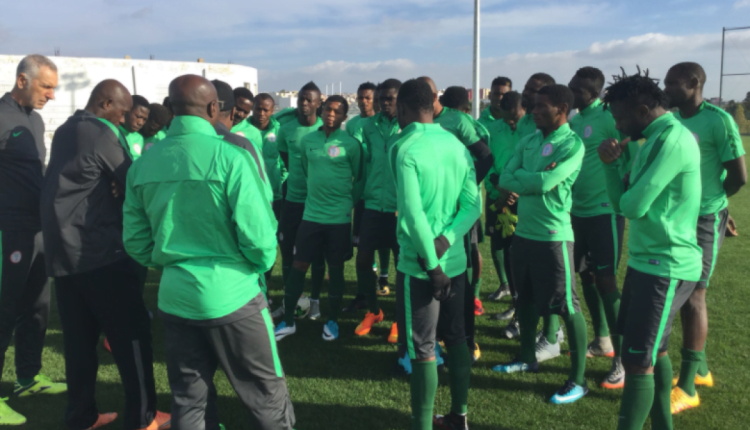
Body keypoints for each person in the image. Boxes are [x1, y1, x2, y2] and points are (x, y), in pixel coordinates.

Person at [123, 74, 293, 430]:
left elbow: (136, 241)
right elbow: (261, 241)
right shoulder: (231, 157)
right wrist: (247, 268)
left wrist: (174, 262)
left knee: (188, 401)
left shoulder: (143, 164)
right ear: (214, 108)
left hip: (176, 297)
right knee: (267, 398)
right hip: (233, 295)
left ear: (170, 109)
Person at [41, 79, 169, 430]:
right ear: (105, 103)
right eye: (123, 112)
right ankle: (144, 417)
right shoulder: (100, 133)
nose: (126, 120)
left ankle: (81, 416)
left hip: (64, 253)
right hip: (100, 250)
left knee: (80, 341)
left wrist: (115, 181)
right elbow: (134, 180)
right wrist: (122, 182)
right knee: (133, 333)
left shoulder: (67, 129)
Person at [598, 68, 702, 430]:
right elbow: (620, 203)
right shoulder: (651, 140)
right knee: (651, 352)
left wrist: (623, 181)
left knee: (637, 361)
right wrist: (612, 167)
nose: (618, 126)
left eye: (621, 117)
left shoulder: (669, 140)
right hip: (647, 262)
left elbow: (633, 206)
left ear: (643, 111)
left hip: (666, 265)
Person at [392, 78, 481, 430]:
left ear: (402, 108)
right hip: (455, 262)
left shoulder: (404, 146)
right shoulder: (456, 144)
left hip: (420, 268)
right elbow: (473, 206)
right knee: (457, 339)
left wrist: (432, 265)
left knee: (422, 348)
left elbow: (412, 215)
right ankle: (459, 416)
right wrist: (447, 239)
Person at [493, 84, 589, 405]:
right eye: (533, 105)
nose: (533, 111)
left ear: (562, 109)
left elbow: (547, 182)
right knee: (525, 300)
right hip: (524, 234)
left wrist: (525, 179)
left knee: (568, 307)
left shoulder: (572, 144)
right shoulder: (529, 140)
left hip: (553, 237)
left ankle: (578, 380)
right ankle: (526, 359)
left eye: (540, 106)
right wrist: (531, 179)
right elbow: (504, 178)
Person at [663, 62, 747, 413]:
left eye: (672, 83)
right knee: (683, 291)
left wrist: (714, 204)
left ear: (695, 83)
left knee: (695, 294)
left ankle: (687, 388)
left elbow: (738, 176)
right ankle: (700, 370)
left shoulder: (718, 120)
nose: (666, 89)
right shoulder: (670, 119)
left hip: (703, 219)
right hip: (676, 217)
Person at [0, 54, 65, 426]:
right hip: (7, 231)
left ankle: (27, 379)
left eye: (54, 88)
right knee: (3, 311)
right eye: (46, 87)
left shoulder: (36, 120)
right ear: (22, 80)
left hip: (38, 230)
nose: (52, 95)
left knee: (38, 306)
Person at [274, 96, 363, 341]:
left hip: (339, 219)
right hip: (311, 215)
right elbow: (305, 170)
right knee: (299, 265)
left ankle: (332, 321)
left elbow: (359, 179)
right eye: (328, 110)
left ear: (345, 117)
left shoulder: (351, 145)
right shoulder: (308, 141)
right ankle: (288, 321)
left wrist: (348, 203)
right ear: (321, 111)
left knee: (335, 269)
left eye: (337, 111)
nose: (331, 114)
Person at [418, 76, 493, 361]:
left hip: (460, 210)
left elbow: (485, 157)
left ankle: (466, 341)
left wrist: (465, 187)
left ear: (435, 97)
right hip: (433, 210)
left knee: (462, 271)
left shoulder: (458, 121)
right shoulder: (418, 123)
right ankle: (436, 338)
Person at [568, 66, 630, 389]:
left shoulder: (607, 117)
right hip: (576, 211)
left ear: (593, 93)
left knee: (606, 281)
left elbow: (629, 151)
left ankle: (623, 359)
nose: (571, 92)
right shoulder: (575, 120)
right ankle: (602, 339)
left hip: (605, 211)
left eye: (577, 89)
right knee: (586, 277)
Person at [347, 79, 402, 339]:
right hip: (371, 204)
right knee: (363, 259)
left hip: (399, 208)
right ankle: (374, 310)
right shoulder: (368, 126)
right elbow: (362, 163)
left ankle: (400, 318)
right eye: (381, 99)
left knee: (403, 265)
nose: (384, 103)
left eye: (390, 98)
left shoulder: (408, 126)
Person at [274, 82, 326, 320]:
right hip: (293, 200)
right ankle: (290, 300)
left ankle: (314, 301)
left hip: (317, 203)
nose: (304, 103)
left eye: (308, 100)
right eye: (301, 99)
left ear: (318, 103)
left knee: (317, 254)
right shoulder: (286, 129)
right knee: (287, 252)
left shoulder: (325, 128)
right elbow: (286, 159)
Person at [346, 82, 393, 295]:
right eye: (361, 97)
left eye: (368, 97)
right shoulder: (354, 124)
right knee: (365, 244)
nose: (364, 101)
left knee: (387, 243)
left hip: (387, 195)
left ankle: (384, 276)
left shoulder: (388, 125)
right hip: (364, 192)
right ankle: (370, 282)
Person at [485, 91, 524, 335]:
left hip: (524, 199)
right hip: (498, 198)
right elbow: (487, 162)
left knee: (520, 255)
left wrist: (518, 189)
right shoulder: (492, 130)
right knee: (505, 249)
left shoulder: (531, 129)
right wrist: (498, 188)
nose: (511, 123)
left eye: (515, 118)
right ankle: (515, 305)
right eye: (507, 119)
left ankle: (524, 314)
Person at [480, 78, 514, 303]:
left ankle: (516, 285)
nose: (499, 98)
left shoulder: (520, 123)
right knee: (496, 240)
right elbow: (484, 157)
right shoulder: (483, 124)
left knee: (515, 241)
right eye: (496, 93)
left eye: (504, 94)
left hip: (517, 194)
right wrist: (497, 184)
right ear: (490, 94)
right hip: (495, 191)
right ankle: (504, 284)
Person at [211, 80, 272, 204]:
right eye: (238, 109)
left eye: (246, 112)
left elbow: (257, 168)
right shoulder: (212, 127)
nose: (240, 114)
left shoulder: (253, 133)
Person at [118, 95, 150, 160]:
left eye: (144, 119)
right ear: (126, 111)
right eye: (138, 116)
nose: (140, 123)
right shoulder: (113, 133)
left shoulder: (139, 138)